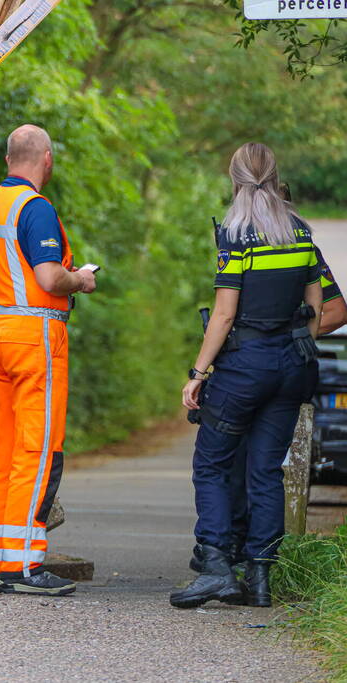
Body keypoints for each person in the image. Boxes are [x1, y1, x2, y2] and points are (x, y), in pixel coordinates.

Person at [171, 142, 322, 609]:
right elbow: (316, 308)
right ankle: (259, 579)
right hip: (292, 366)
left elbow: (223, 314)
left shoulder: (235, 234)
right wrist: (296, 343)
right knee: (264, 472)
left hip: (245, 366)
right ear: (275, 177)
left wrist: (198, 373)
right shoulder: (299, 231)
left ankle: (216, 566)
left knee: (212, 463)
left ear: (234, 179)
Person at [0, 124, 96, 596]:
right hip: (35, 334)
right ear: (45, 159)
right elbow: (48, 276)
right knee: (38, 449)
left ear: (8, 159)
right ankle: (24, 566)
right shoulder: (35, 208)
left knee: (1, 449)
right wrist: (80, 279)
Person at [192, 248, 345, 582]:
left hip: (250, 372)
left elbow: (335, 311)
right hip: (272, 372)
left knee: (224, 465)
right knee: (254, 470)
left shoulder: (283, 248)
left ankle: (226, 556)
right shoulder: (289, 246)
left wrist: (281, 340)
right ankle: (253, 567)